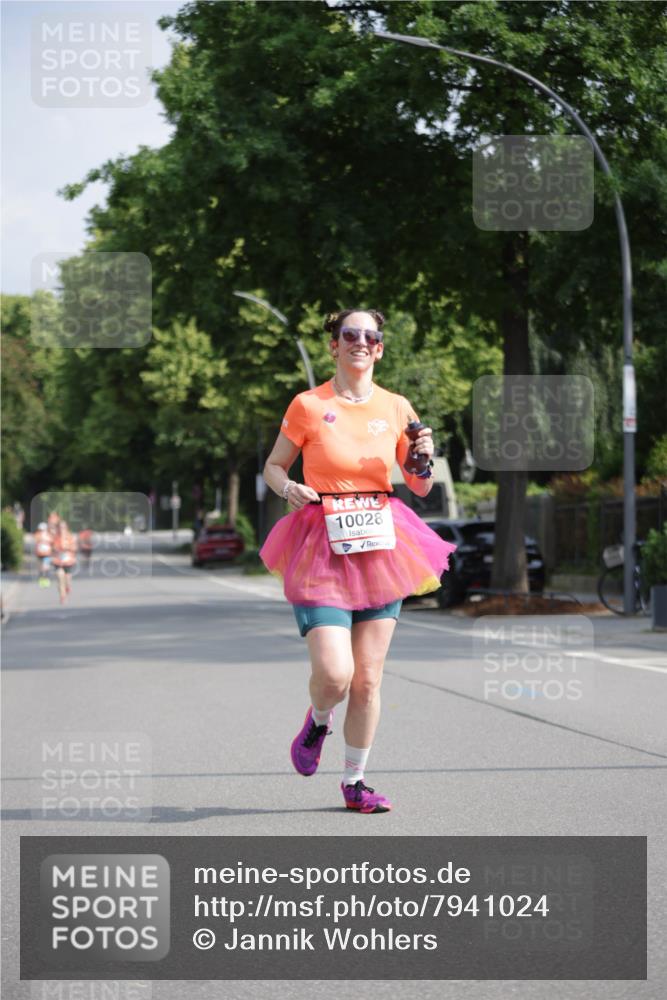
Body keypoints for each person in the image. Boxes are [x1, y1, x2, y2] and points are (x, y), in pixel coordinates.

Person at [261, 309, 457, 814]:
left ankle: (355, 782)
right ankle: (319, 719)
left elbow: (418, 485)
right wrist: (289, 488)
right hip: (321, 541)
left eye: (370, 336)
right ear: (334, 346)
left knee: (368, 679)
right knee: (335, 674)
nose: (361, 343)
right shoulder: (308, 405)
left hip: (380, 540)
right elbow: (274, 465)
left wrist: (420, 459)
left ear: (380, 348)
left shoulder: (396, 407)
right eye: (350, 335)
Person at [52, 520, 78, 604]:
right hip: (58, 561)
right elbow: (51, 548)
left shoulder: (70, 537)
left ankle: (67, 586)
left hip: (68, 561)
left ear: (66, 527)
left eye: (63, 527)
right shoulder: (55, 537)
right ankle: (62, 597)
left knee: (67, 579)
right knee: (60, 577)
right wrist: (55, 549)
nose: (61, 529)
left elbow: (74, 548)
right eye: (60, 527)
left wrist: (68, 548)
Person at [33, 522, 53, 587]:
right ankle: (41, 581)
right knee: (40, 567)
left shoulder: (49, 535)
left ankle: (47, 580)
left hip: (47, 554)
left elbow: (52, 541)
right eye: (41, 529)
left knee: (46, 567)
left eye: (43, 529)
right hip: (39, 554)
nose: (42, 531)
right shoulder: (37, 535)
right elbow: (35, 540)